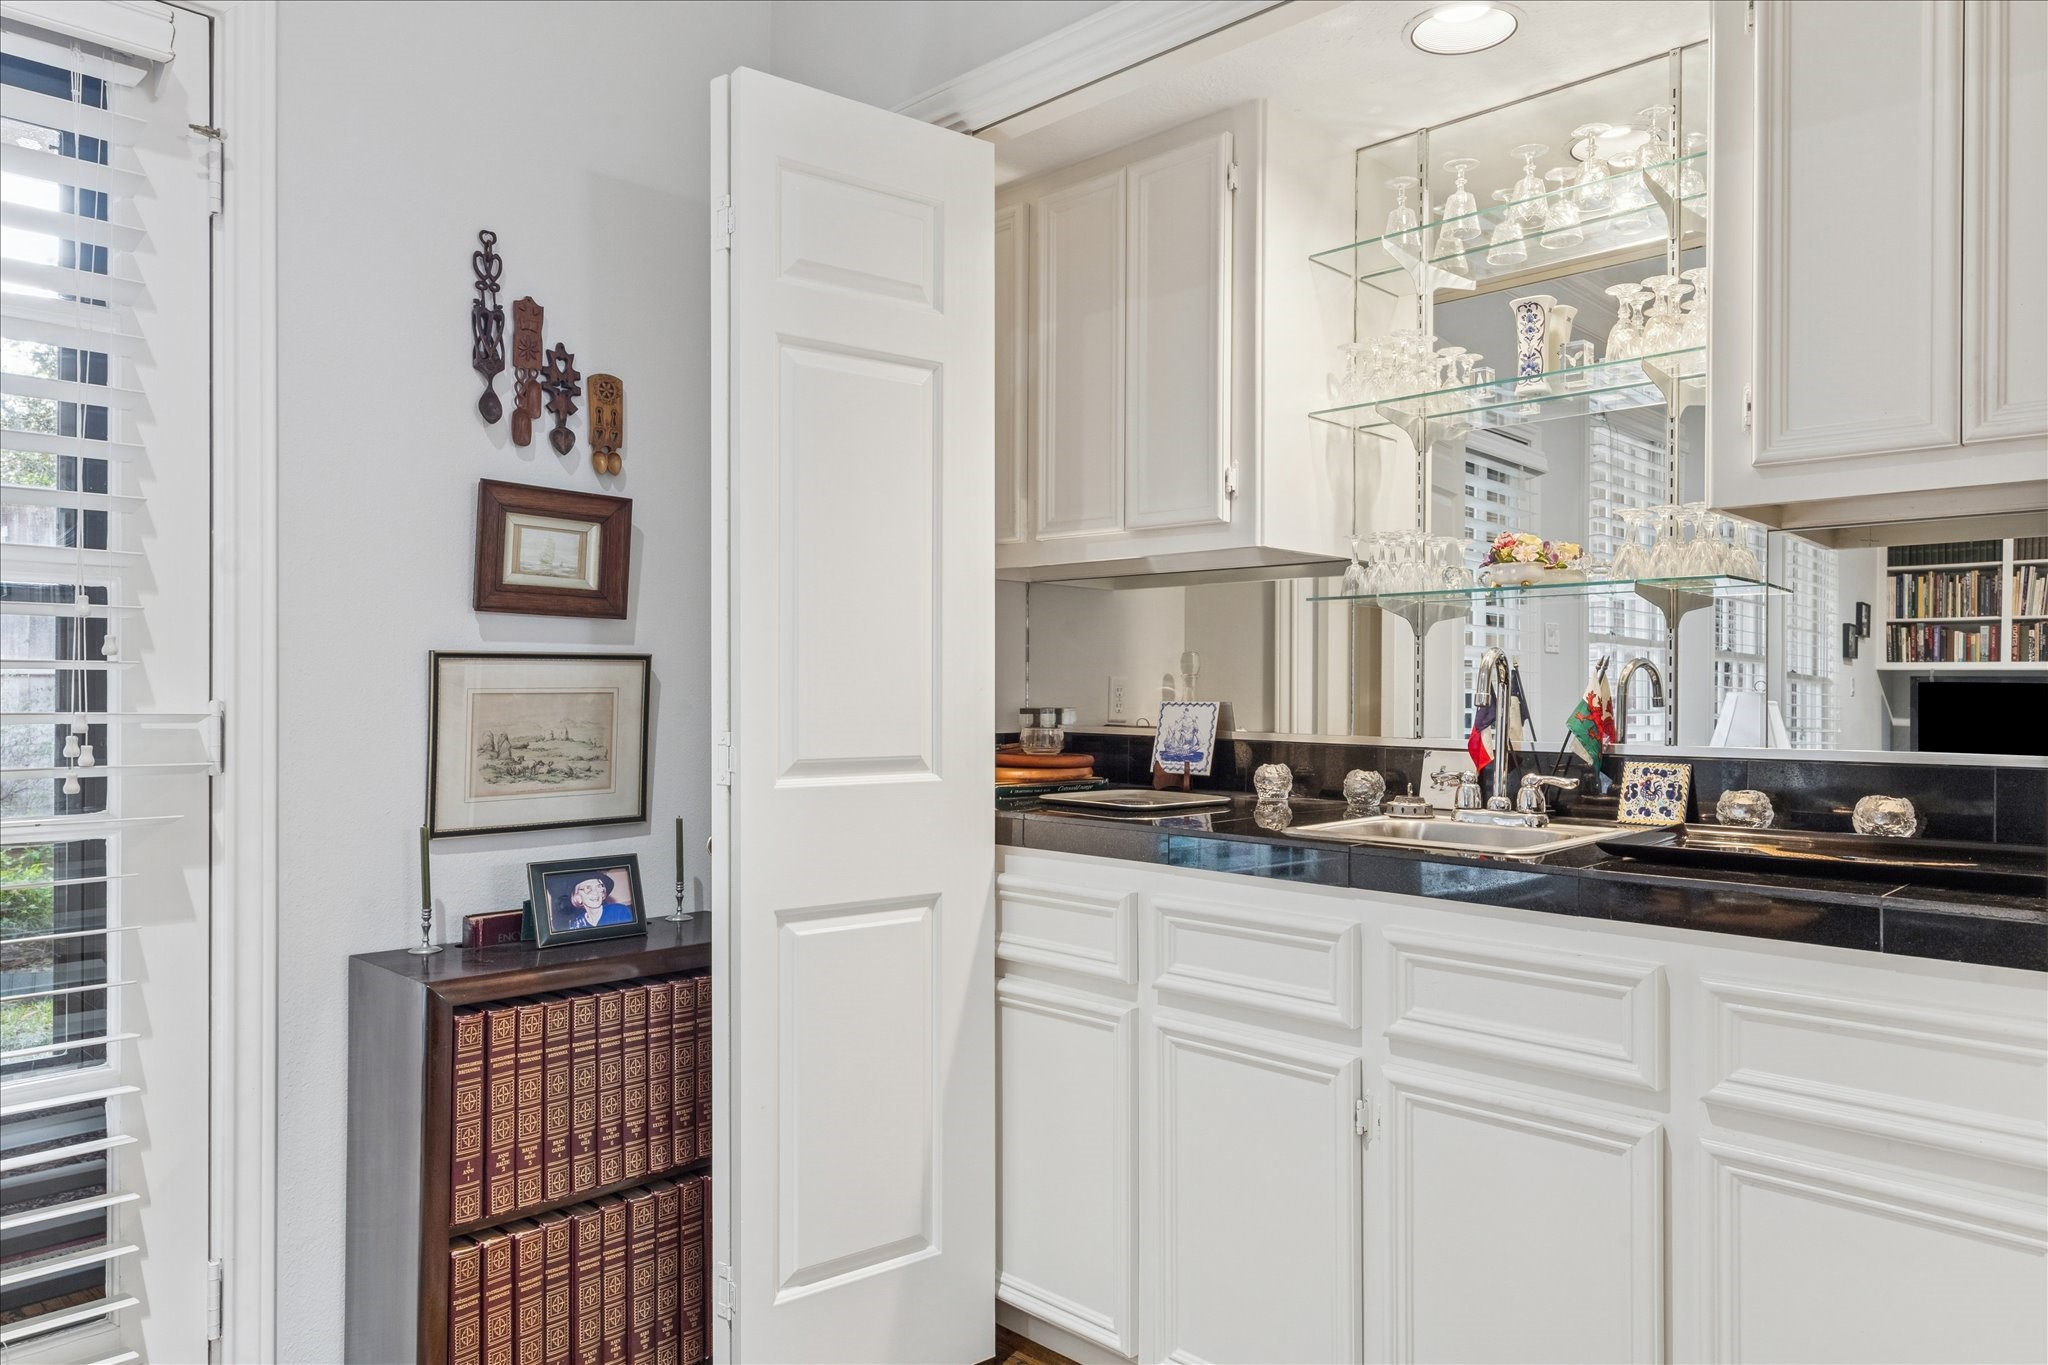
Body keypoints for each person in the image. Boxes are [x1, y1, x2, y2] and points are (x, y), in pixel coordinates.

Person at [553, 871, 634, 930]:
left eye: (599, 887)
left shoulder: (619, 911)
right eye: (588, 888)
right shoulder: (578, 925)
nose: (595, 893)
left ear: (602, 893)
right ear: (578, 897)